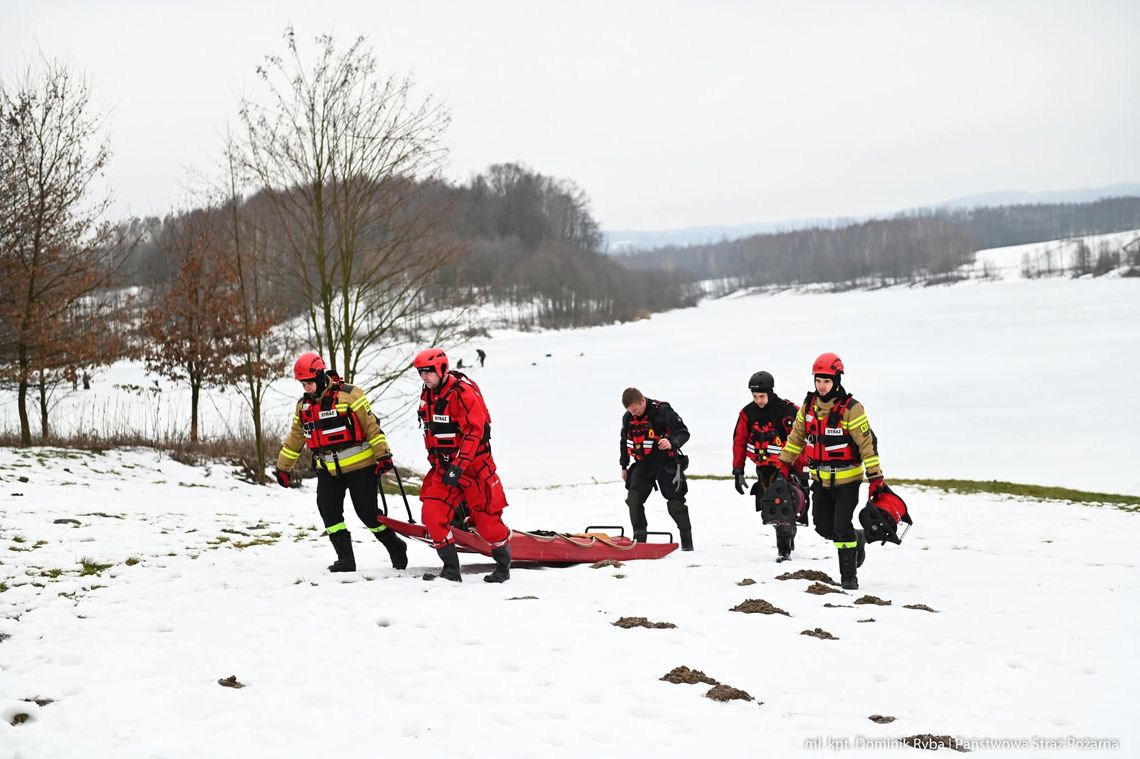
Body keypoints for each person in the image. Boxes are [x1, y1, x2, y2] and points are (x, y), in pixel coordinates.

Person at [274, 352, 408, 573]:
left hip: (361, 467)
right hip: (327, 469)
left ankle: (395, 546)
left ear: (320, 376)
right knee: (329, 512)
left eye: (309, 383)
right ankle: (346, 560)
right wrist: (283, 468)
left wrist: (383, 456)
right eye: (302, 384)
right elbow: (295, 438)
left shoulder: (350, 394)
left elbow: (371, 427)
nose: (306, 388)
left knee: (367, 514)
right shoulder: (303, 407)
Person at [776, 353, 886, 590]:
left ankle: (849, 578)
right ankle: (857, 539)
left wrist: (876, 478)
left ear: (836, 380)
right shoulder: (808, 406)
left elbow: (867, 446)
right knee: (822, 526)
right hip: (820, 480)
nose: (822, 386)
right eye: (818, 380)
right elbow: (796, 437)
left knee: (841, 525)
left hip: (848, 481)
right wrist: (784, 463)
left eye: (826, 380)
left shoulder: (852, 410)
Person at [414, 347, 512, 583]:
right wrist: (444, 465)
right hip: (444, 469)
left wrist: (459, 466)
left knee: (488, 523)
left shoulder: (463, 394)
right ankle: (450, 571)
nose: (424, 377)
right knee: (432, 514)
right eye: (421, 373)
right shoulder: (428, 395)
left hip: (474, 469)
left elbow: (474, 433)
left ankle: (503, 567)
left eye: (428, 372)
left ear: (442, 369)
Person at [731, 370, 808, 562]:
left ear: (771, 392)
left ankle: (785, 550)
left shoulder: (789, 411)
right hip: (765, 469)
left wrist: (803, 469)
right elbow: (739, 441)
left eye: (762, 396)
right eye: (755, 396)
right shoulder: (747, 413)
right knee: (774, 511)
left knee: (784, 506)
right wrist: (738, 470)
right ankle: (786, 542)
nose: (759, 400)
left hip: (790, 467)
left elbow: (804, 439)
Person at [619, 387, 693, 550]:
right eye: (630, 411)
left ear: (642, 401)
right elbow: (624, 441)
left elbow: (684, 433)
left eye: (636, 409)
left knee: (676, 503)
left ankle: (687, 543)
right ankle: (639, 540)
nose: (634, 414)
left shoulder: (662, 411)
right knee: (634, 499)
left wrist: (672, 442)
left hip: (665, 463)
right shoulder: (628, 417)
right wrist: (624, 466)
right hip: (642, 464)